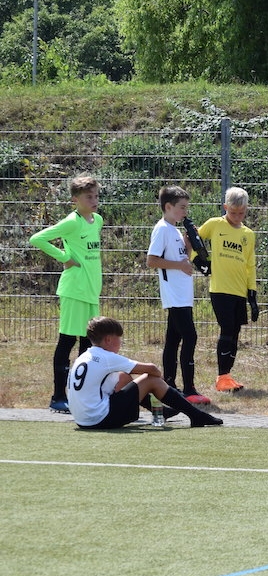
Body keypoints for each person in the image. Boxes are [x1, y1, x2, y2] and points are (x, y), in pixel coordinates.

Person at [29, 174, 104, 414]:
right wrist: (65, 257)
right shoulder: (72, 222)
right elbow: (37, 238)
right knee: (67, 341)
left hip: (91, 291)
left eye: (96, 196)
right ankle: (58, 397)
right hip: (74, 290)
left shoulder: (98, 220)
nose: (94, 201)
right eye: (89, 197)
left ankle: (79, 396)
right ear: (75, 200)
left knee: (88, 344)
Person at [66, 316, 222, 429]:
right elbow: (152, 369)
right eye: (118, 338)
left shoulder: (84, 356)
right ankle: (196, 416)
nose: (120, 343)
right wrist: (160, 381)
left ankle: (162, 412)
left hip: (81, 420)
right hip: (100, 419)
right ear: (108, 340)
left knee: (124, 376)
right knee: (151, 379)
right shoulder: (106, 357)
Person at [146, 186, 210, 406]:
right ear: (168, 207)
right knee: (190, 337)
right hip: (174, 294)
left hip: (183, 294)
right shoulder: (162, 229)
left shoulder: (174, 230)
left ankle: (169, 387)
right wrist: (180, 266)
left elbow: (182, 260)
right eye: (182, 207)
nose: (185, 211)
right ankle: (189, 389)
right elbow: (152, 260)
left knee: (173, 340)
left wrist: (189, 246)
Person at [197, 187, 258, 392]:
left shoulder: (248, 234)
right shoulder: (215, 224)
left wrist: (252, 294)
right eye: (233, 212)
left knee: (235, 332)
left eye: (241, 213)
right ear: (225, 207)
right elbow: (191, 239)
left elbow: (250, 265)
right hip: (220, 289)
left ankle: (227, 375)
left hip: (239, 291)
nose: (237, 216)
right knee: (227, 329)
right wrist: (198, 261)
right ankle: (221, 377)